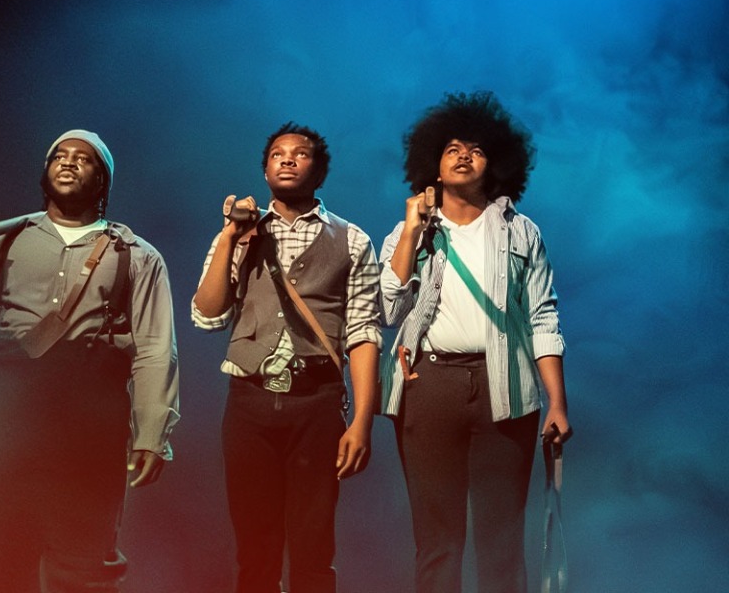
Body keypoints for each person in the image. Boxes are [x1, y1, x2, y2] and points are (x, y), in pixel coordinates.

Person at [0, 130, 180, 593]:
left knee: (84, 559)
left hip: (90, 414)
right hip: (6, 408)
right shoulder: (5, 242)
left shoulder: (135, 254)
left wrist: (152, 433)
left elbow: (154, 346)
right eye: (58, 157)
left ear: (102, 180)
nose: (68, 163)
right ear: (45, 173)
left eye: (83, 159)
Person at [378, 92, 572, 593]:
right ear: (434, 168)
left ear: (496, 165)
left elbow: (543, 317)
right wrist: (410, 233)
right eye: (452, 149)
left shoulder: (522, 232)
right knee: (437, 538)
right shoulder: (409, 232)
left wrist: (557, 402)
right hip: (430, 386)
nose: (464, 154)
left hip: (504, 387)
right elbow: (388, 310)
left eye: (477, 149)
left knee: (501, 538)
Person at [192, 122, 382, 593]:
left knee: (314, 550)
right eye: (277, 154)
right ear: (265, 169)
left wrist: (361, 421)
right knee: (255, 550)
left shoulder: (352, 240)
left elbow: (362, 333)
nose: (288, 159)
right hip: (249, 403)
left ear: (320, 172)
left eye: (300, 154)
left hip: (316, 404)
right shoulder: (240, 232)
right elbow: (208, 314)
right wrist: (231, 237)